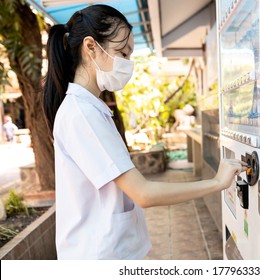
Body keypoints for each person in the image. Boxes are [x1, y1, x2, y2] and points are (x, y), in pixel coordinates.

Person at [42, 4, 247, 260]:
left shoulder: (89, 108)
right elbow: (144, 193)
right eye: (122, 53)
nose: (127, 63)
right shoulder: (82, 113)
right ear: (91, 46)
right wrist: (217, 183)